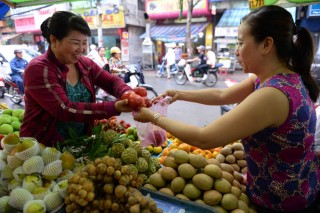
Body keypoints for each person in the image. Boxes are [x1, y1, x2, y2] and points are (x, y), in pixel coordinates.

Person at [134, 5, 320, 213]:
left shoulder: (273, 95)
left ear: (266, 44)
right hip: (292, 185)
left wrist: (153, 117)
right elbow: (222, 95)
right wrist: (179, 94)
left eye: (240, 43)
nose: (236, 50)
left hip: (282, 203)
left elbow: (205, 138)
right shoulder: (274, 79)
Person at [20, 11, 133, 146]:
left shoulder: (85, 64)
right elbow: (64, 109)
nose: (82, 49)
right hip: (43, 147)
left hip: (79, 143)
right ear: (54, 40)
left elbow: (111, 81)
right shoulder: (39, 69)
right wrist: (114, 107)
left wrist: (127, 93)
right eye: (76, 43)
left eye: (84, 42)